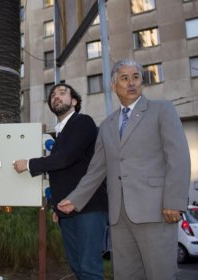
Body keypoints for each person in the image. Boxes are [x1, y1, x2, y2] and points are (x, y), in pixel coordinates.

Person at [58, 58, 191, 280]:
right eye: (124, 78)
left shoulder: (162, 110)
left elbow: (178, 158)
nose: (131, 83)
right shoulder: (107, 124)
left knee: (161, 275)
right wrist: (75, 199)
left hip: (156, 211)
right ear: (113, 85)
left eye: (136, 77)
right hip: (119, 217)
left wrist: (174, 201)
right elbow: (97, 170)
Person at [13, 84, 108, 279]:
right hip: (66, 210)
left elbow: (65, 159)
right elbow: (66, 172)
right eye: (53, 95)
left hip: (89, 208)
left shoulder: (83, 122)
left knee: (89, 268)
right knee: (77, 267)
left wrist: (29, 164)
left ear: (74, 101)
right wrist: (57, 208)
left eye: (62, 93)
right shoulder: (61, 133)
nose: (56, 96)